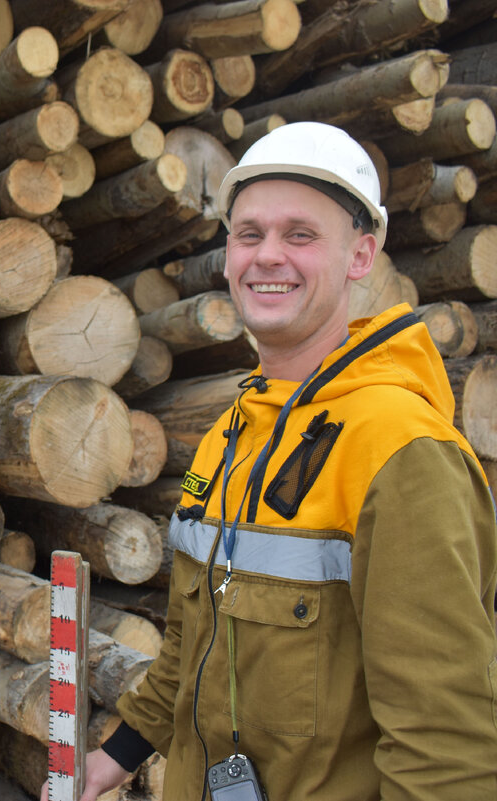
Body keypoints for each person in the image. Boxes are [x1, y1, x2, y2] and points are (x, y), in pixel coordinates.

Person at [51, 122, 497, 801]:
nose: (267, 256)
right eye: (249, 233)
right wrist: (117, 755)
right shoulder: (231, 433)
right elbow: (191, 639)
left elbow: (445, 740)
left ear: (361, 255)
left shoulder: (402, 451)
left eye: (300, 234)